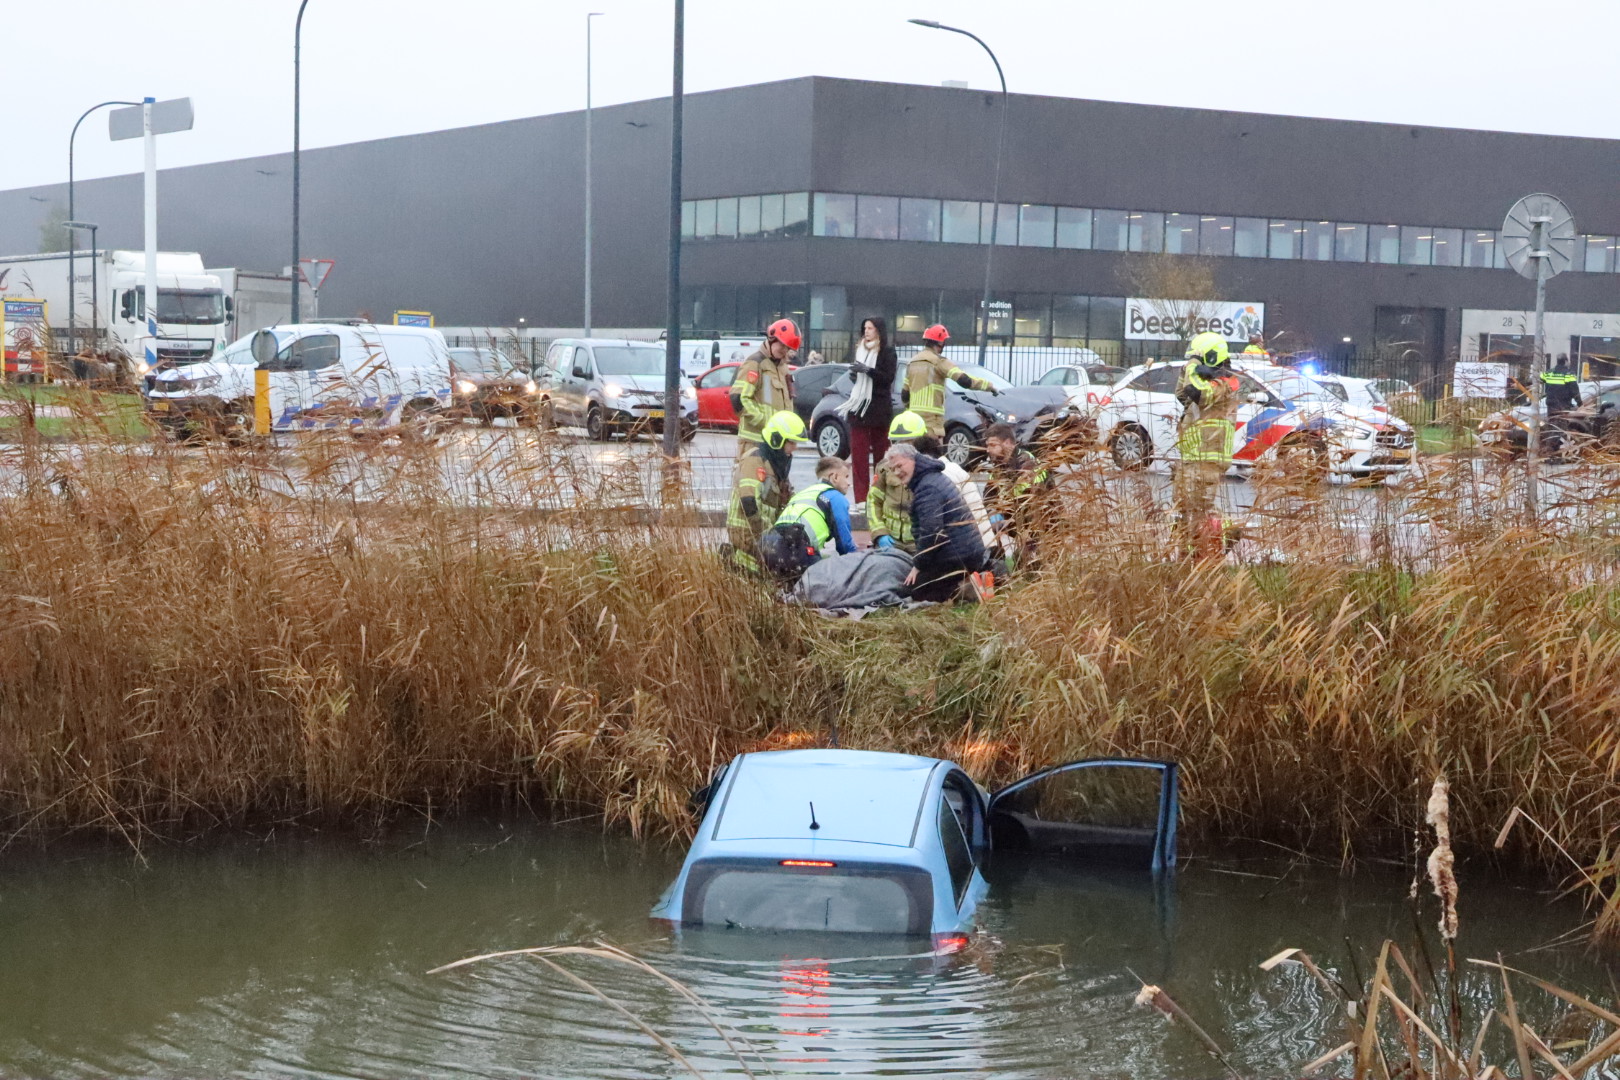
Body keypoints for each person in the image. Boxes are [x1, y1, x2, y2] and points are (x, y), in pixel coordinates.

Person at [882, 444, 992, 603]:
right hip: (963, 552)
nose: (897, 472)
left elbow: (932, 533)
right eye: (893, 469)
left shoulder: (928, 488)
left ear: (913, 460)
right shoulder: (929, 479)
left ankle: (966, 588)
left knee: (912, 591)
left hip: (958, 556)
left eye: (900, 466)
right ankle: (970, 581)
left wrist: (918, 566)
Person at [887, 411, 997, 558]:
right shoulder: (943, 470)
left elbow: (933, 528)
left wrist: (921, 563)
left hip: (971, 551)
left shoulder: (938, 477)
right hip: (974, 546)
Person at [1173, 331, 1241, 557]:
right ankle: (1187, 551)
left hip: (1209, 454)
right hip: (1193, 453)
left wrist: (1194, 367)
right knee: (1183, 505)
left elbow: (1199, 394)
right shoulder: (1207, 379)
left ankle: (1220, 538)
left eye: (1198, 357)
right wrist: (1189, 369)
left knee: (1201, 507)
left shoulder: (1226, 382)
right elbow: (1183, 394)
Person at [726, 410, 803, 574]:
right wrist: (769, 534)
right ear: (777, 440)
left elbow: (788, 499)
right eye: (792, 442)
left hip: (761, 532)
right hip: (747, 533)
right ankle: (738, 563)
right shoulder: (755, 461)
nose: (795, 448)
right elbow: (749, 503)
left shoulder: (776, 466)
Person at [766, 456, 859, 577]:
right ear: (834, 477)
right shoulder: (835, 497)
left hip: (770, 543)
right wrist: (859, 561)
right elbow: (845, 544)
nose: (849, 483)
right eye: (846, 477)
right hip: (797, 546)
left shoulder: (805, 492)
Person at [903, 324, 996, 440]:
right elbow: (964, 381)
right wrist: (988, 386)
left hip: (914, 422)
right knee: (932, 455)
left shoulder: (912, 362)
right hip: (932, 423)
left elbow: (905, 395)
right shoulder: (939, 361)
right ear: (941, 343)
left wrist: (911, 409)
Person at [841, 317, 898, 503]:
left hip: (879, 412)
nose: (866, 331)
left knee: (882, 459)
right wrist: (855, 376)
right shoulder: (860, 351)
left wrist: (868, 371)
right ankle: (861, 501)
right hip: (859, 410)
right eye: (864, 328)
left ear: (879, 331)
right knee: (859, 460)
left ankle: (881, 498)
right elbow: (859, 381)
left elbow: (887, 378)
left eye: (870, 328)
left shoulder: (887, 352)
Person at [983, 422, 1055, 566]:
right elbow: (989, 497)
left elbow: (1032, 502)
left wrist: (1005, 519)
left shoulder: (1027, 463)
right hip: (1017, 520)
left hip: (1042, 524)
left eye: (993, 445)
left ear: (1008, 443)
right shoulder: (999, 466)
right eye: (987, 445)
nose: (988, 450)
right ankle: (998, 566)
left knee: (1029, 564)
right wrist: (993, 514)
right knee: (984, 524)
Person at [731, 318, 799, 457]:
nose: (785, 351)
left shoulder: (782, 368)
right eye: (782, 345)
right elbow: (738, 399)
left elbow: (786, 403)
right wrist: (765, 422)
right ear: (772, 339)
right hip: (755, 442)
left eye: (788, 348)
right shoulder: (755, 363)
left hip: (777, 442)